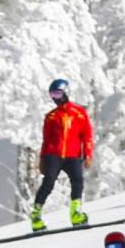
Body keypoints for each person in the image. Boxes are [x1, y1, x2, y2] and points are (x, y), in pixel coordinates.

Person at [31, 80, 95, 232]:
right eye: (52, 94)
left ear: (66, 92)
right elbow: (46, 140)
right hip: (53, 154)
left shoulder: (79, 113)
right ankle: (36, 215)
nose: (55, 98)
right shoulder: (51, 116)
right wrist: (42, 160)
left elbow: (87, 135)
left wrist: (88, 154)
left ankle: (75, 213)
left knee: (78, 181)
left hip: (73, 155)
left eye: (58, 93)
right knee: (49, 182)